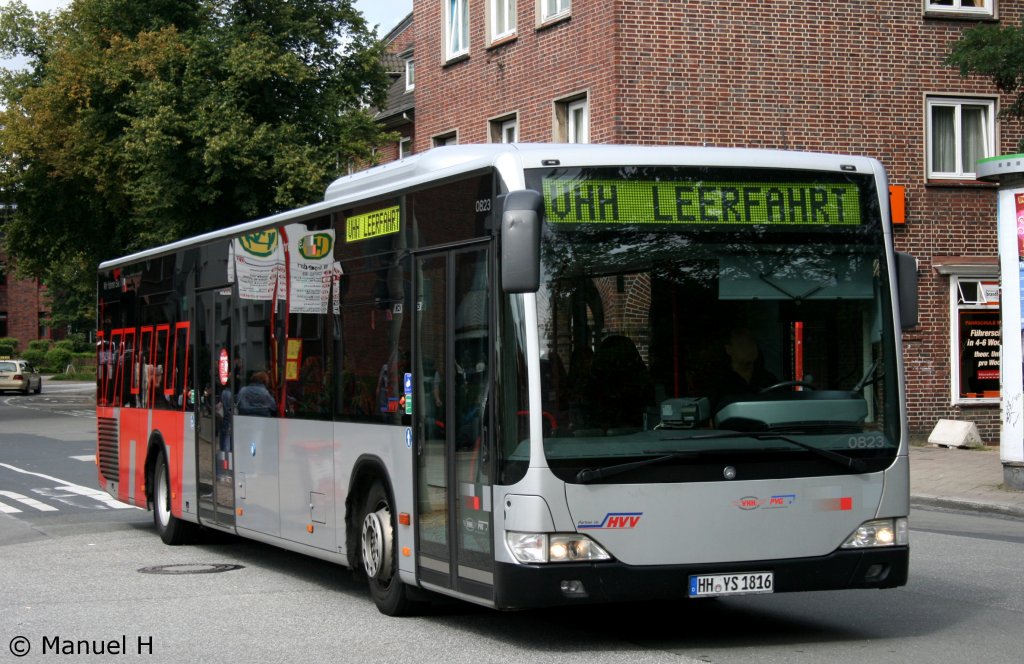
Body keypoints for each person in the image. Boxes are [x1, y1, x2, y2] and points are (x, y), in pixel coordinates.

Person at [710, 326, 779, 410]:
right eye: (741, 343)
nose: (748, 347)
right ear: (729, 349)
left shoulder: (769, 380)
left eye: (751, 341)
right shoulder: (720, 384)